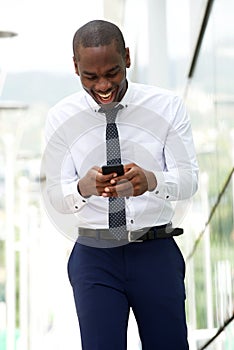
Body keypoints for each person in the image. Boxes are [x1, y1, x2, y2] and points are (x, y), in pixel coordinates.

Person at [44, 19, 198, 350]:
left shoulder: (166, 107)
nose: (103, 85)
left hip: (155, 251)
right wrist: (84, 187)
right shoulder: (61, 117)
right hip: (95, 255)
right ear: (76, 68)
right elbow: (56, 195)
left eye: (112, 72)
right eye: (91, 76)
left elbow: (189, 179)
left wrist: (151, 181)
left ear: (127, 57)